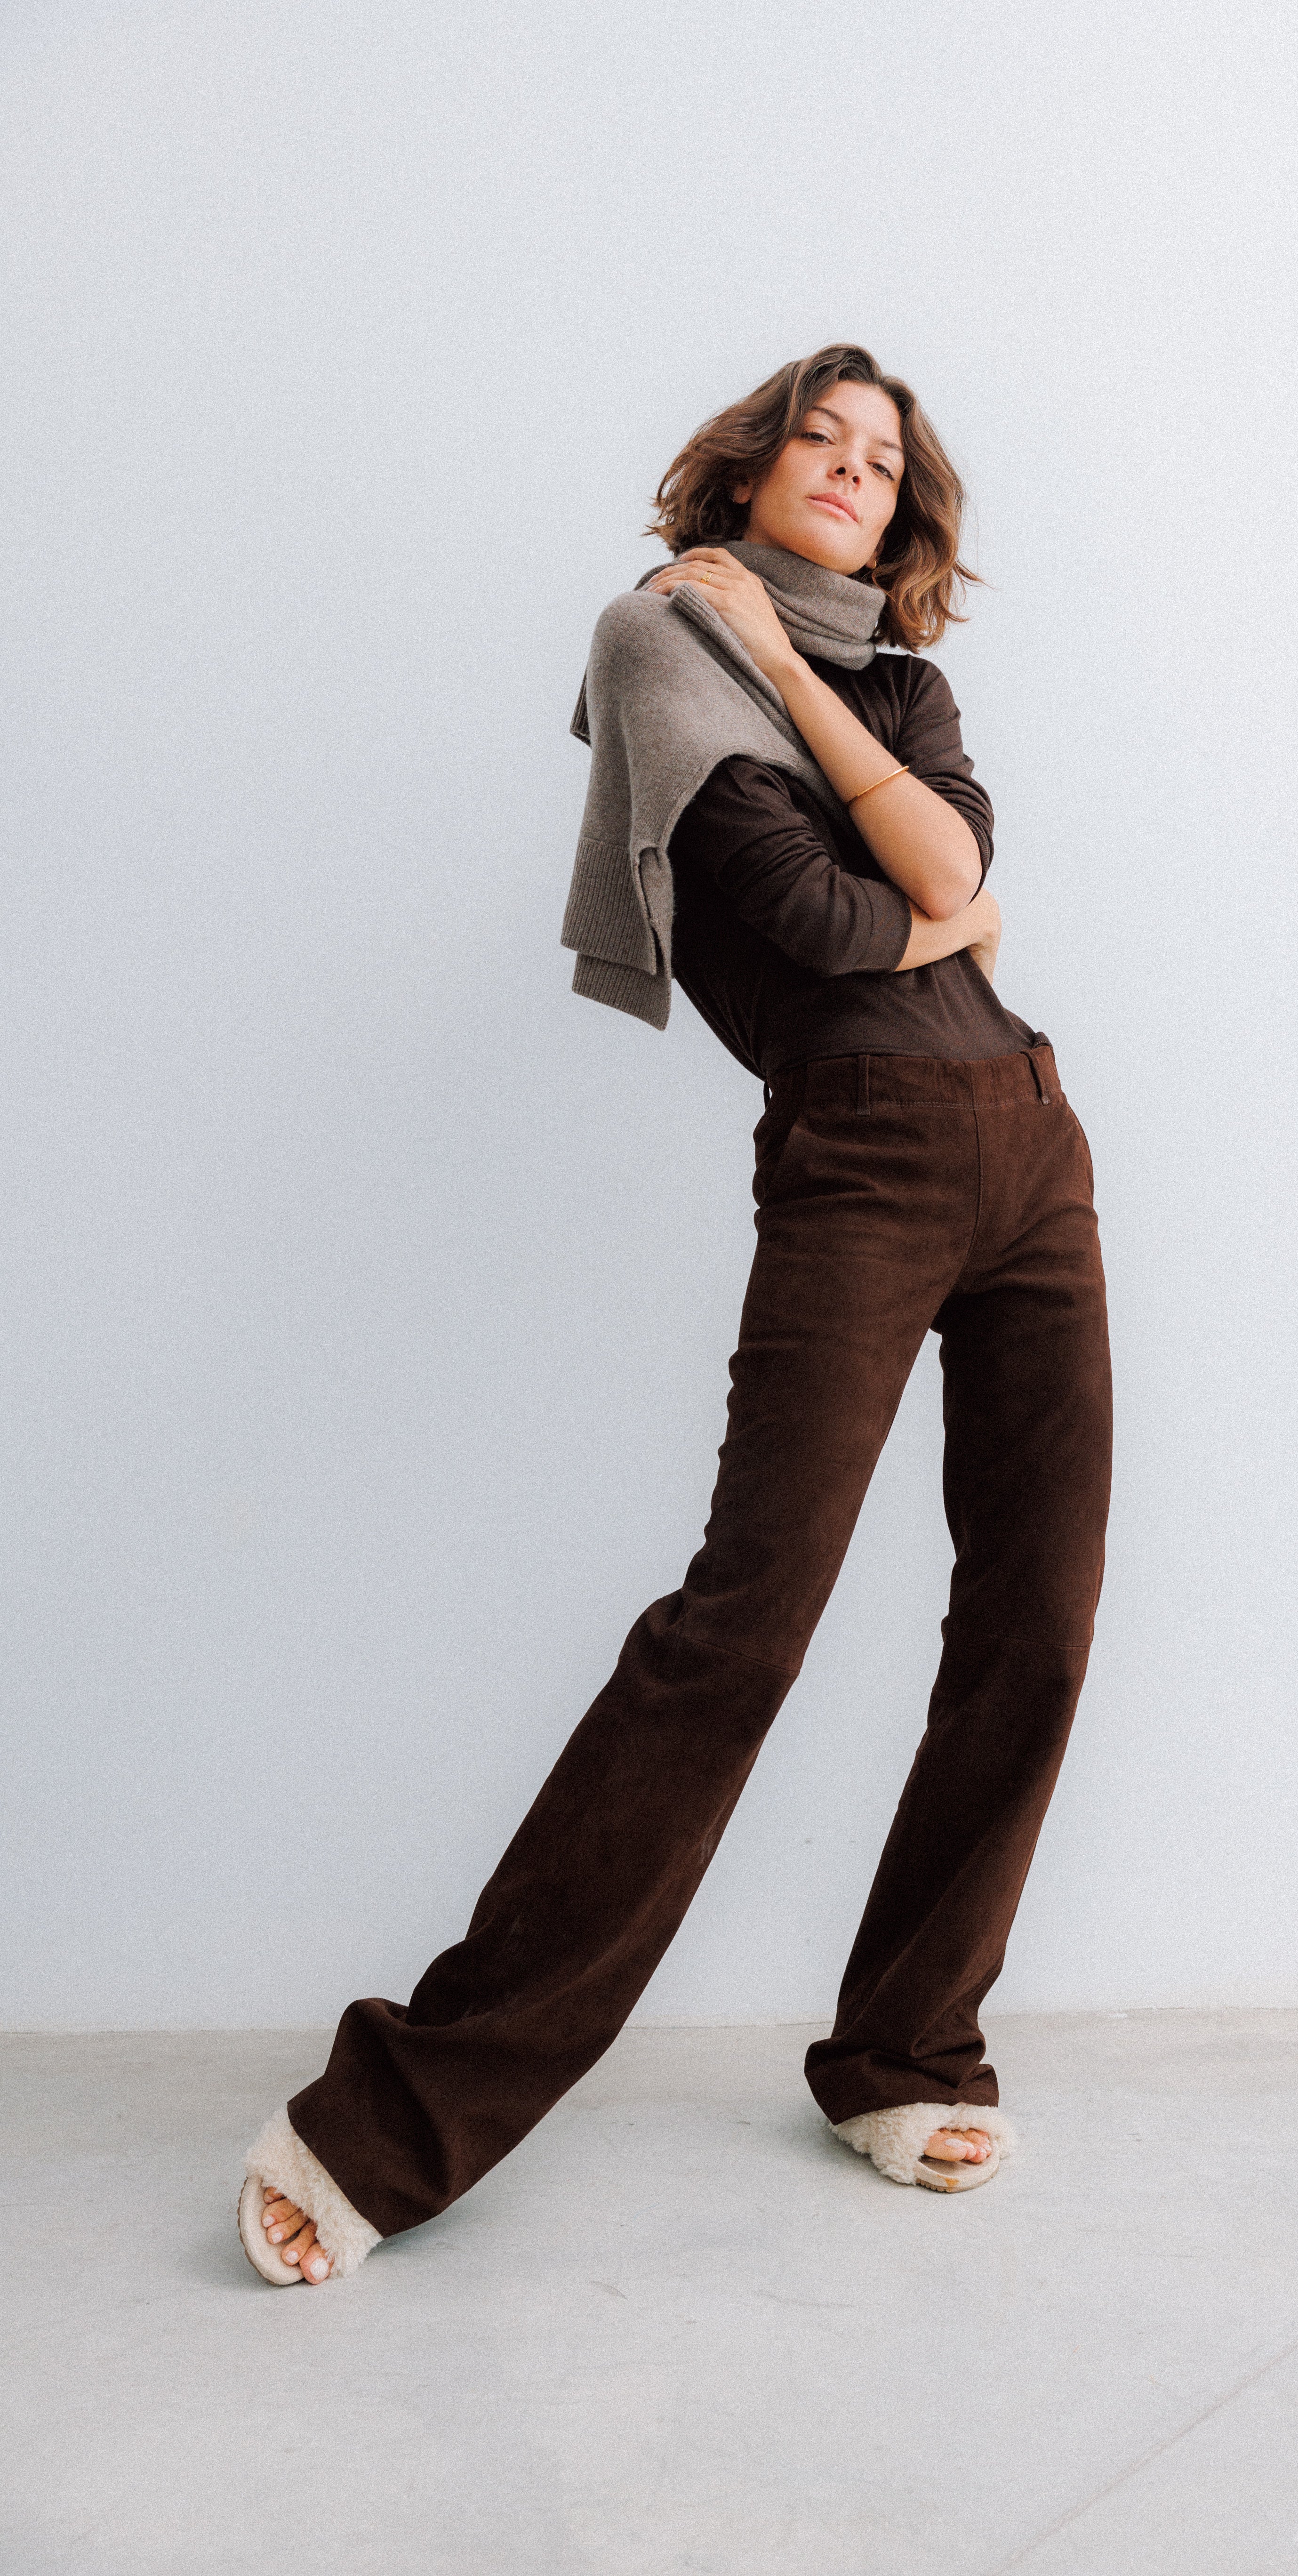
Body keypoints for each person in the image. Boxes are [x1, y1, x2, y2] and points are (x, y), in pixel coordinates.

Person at [235, 343, 1112, 2287]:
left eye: (884, 460)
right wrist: (927, 883)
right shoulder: (656, 641)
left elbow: (953, 866)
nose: (854, 471)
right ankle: (388, 2123)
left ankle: (904, 2048)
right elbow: (825, 925)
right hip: (865, 1157)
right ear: (753, 464)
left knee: (1038, 1618)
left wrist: (829, 716)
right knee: (740, 1630)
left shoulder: (897, 676)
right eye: (823, 437)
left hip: (1032, 1145)